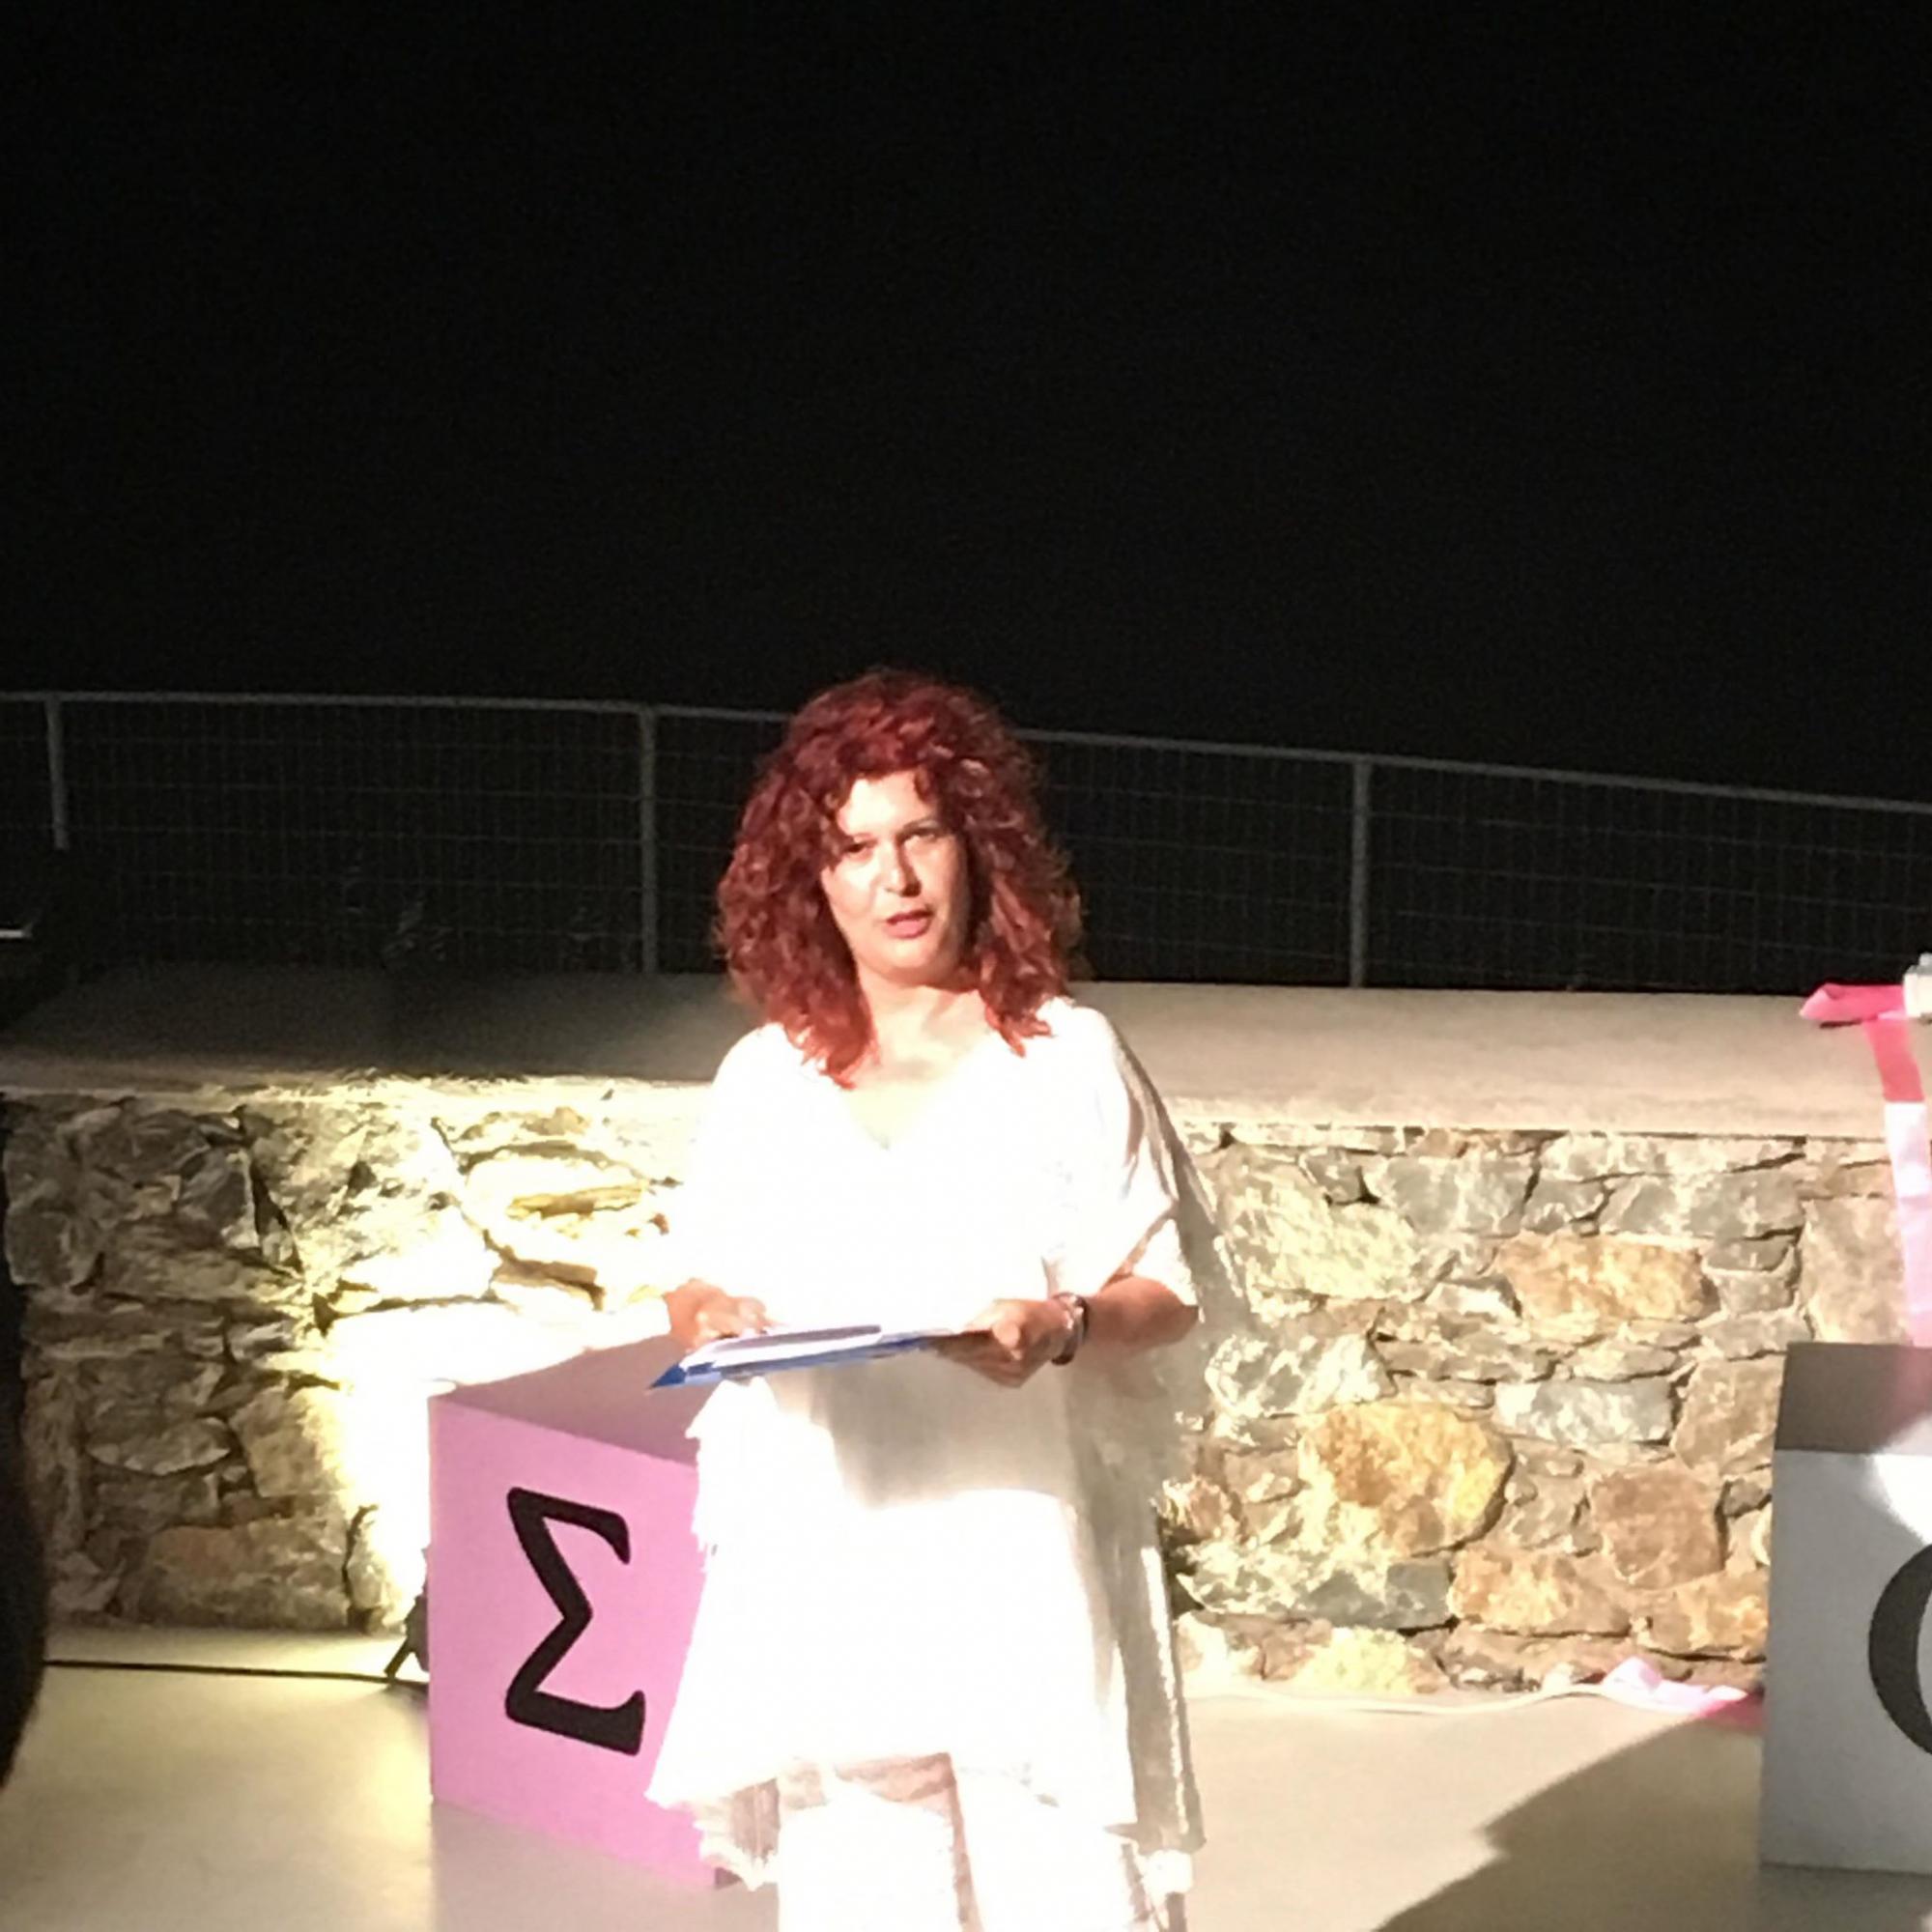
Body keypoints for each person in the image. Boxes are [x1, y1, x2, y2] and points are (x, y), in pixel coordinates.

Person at [645, 669, 1227, 1932]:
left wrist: (1065, 1328)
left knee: (1062, 1879)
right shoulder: (765, 1080)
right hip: (833, 1537)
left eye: (922, 834)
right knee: (867, 1886)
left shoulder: (1066, 1058)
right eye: (854, 849)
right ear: (809, 883)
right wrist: (711, 1320)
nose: (896, 879)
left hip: (1018, 1540)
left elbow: (1168, 1289)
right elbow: (695, 1282)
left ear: (979, 849)